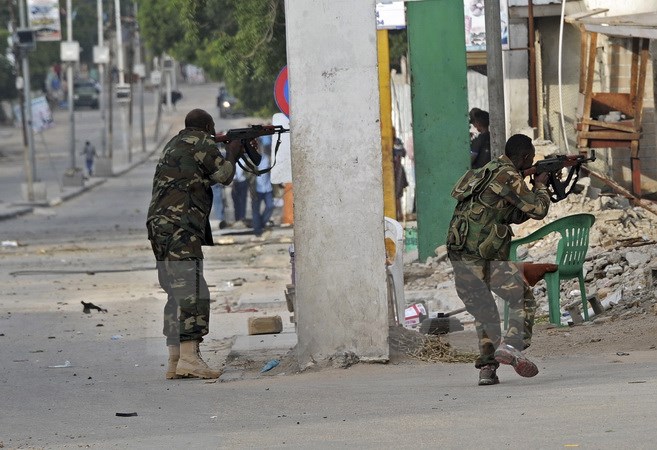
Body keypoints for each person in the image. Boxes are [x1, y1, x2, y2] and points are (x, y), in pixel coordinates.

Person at [446, 134, 551, 386]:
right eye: (531, 158)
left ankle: (487, 370)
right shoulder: (509, 176)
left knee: (484, 312)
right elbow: (538, 210)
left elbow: (510, 214)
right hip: (484, 256)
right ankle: (512, 346)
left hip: (460, 252)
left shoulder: (485, 171)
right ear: (525, 157)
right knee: (522, 296)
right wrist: (542, 186)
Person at [146, 108, 243, 379]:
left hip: (160, 226)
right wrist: (233, 152)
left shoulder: (176, 143)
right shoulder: (201, 142)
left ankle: (175, 360)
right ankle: (190, 358)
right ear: (209, 127)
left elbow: (205, 175)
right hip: (179, 227)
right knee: (193, 289)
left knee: (176, 291)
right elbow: (224, 175)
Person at [250, 139, 274, 239]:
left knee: (270, 206)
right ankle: (257, 231)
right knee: (255, 211)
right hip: (256, 189)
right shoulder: (251, 160)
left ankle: (262, 223)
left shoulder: (266, 158)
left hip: (267, 188)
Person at [230, 162, 249, 227]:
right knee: (236, 202)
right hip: (235, 183)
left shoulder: (243, 161)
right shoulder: (232, 160)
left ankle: (242, 218)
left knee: (243, 201)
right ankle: (237, 218)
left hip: (243, 182)